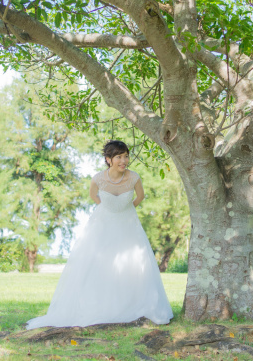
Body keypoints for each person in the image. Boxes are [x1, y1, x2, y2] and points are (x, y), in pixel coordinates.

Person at [26, 140, 173, 329]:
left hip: (129, 226)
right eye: (119, 157)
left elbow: (140, 197)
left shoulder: (134, 177)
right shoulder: (98, 178)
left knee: (133, 263)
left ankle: (134, 305)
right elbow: (93, 195)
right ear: (108, 159)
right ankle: (99, 307)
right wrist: (107, 209)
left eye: (126, 156)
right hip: (103, 225)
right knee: (99, 263)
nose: (124, 160)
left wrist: (125, 210)